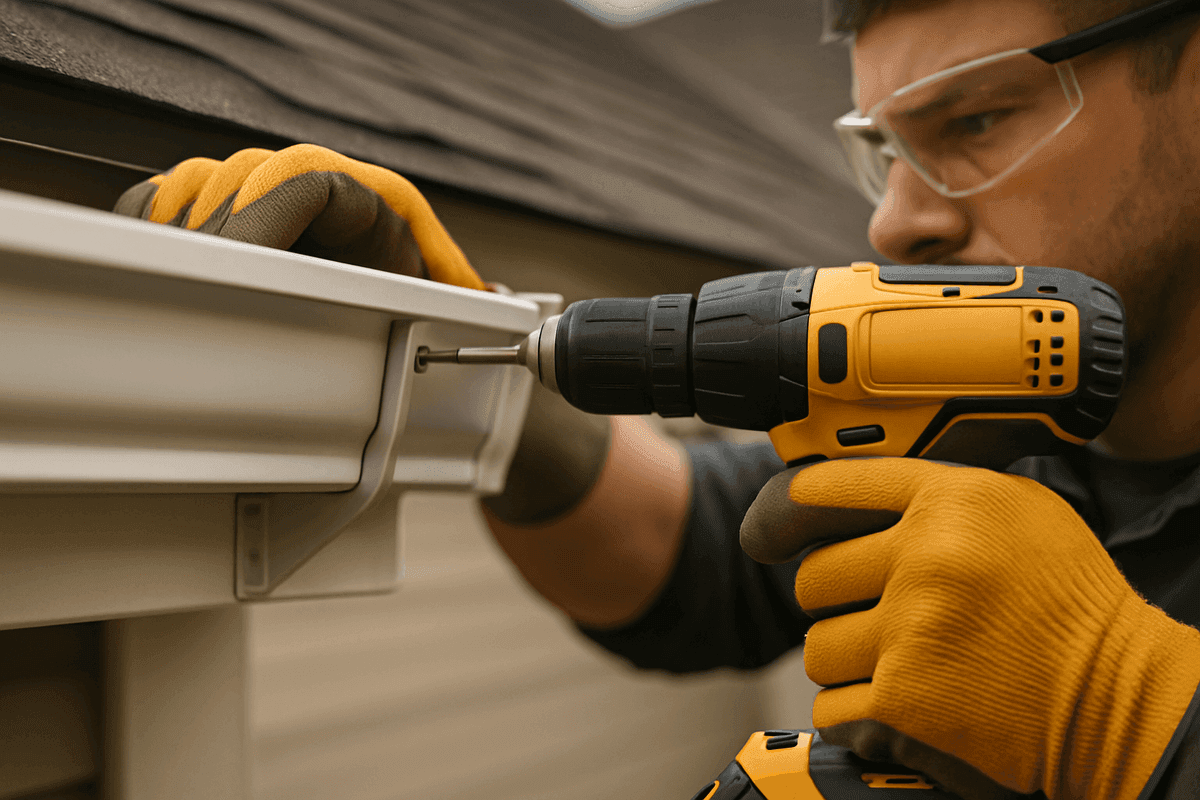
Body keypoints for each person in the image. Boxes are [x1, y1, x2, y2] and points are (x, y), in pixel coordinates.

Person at [115, 1, 1200, 796]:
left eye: (974, 121)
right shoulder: (999, 424)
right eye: (884, 152)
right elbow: (678, 559)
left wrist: (1133, 708)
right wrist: (455, 326)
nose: (894, 223)